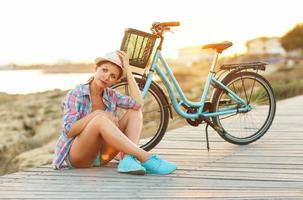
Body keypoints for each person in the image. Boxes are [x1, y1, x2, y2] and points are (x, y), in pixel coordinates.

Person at [52, 50, 177, 175]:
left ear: (116, 81)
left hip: (102, 156)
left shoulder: (111, 95)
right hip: (77, 157)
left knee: (135, 111)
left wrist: (128, 71)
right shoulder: (77, 94)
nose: (107, 77)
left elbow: (138, 104)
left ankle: (128, 159)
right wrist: (97, 114)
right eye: (104, 70)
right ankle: (145, 157)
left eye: (113, 76)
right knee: (99, 119)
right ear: (96, 69)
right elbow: (69, 131)